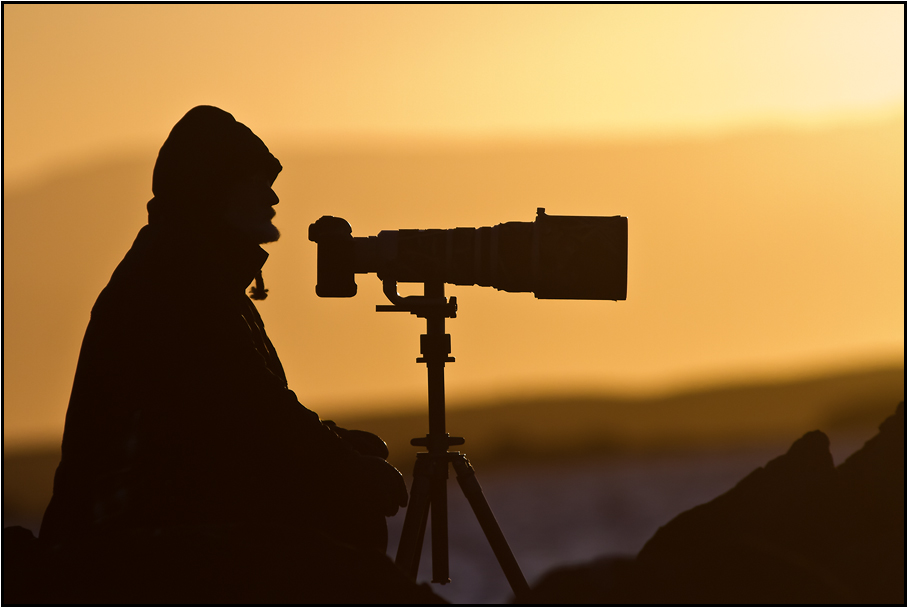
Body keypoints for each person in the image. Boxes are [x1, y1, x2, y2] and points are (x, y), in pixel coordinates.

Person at [33, 106, 440, 603]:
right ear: (215, 191)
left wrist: (340, 448)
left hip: (161, 521)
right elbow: (253, 415)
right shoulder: (176, 283)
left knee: (342, 513)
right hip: (121, 544)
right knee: (354, 567)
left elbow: (249, 409)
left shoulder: (195, 272)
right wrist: (345, 465)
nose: (271, 197)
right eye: (255, 183)